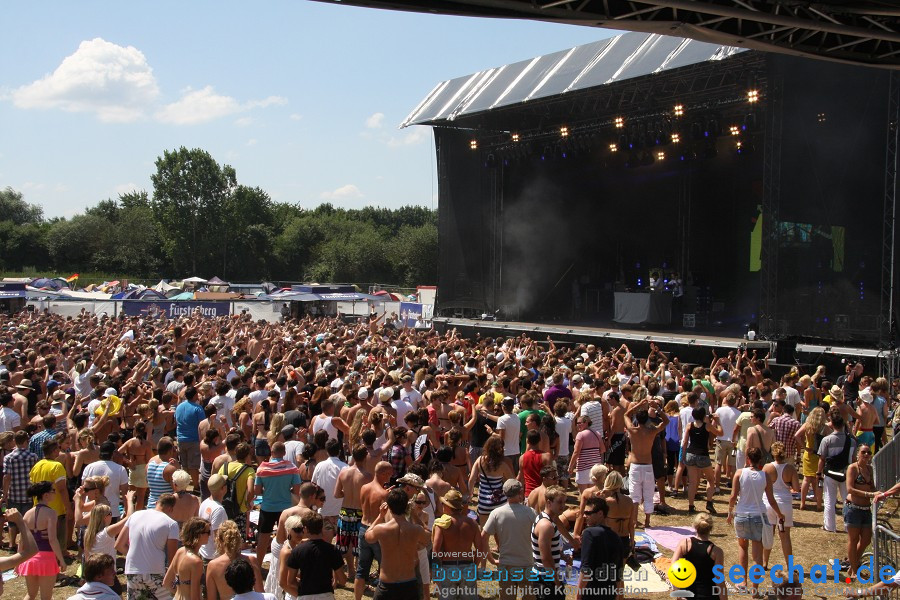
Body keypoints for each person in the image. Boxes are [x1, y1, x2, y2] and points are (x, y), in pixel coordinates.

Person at [726, 447, 785, 596]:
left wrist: (729, 512)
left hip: (741, 515)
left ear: (747, 459)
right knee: (758, 556)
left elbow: (733, 496)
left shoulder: (739, 473)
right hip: (758, 516)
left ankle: (743, 581)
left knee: (742, 548)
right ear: (760, 460)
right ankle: (755, 589)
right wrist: (779, 514)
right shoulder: (764, 476)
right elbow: (771, 500)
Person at [364, 488, 431, 600]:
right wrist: (414, 515)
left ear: (389, 507)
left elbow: (367, 536)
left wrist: (380, 516)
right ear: (406, 507)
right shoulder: (416, 530)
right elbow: (428, 536)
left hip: (387, 583)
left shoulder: (381, 529)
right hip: (409, 583)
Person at [117, 492, 180, 600]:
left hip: (133, 570)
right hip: (155, 570)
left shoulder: (135, 515)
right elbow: (172, 557)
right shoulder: (171, 524)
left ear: (156, 503)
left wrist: (137, 555)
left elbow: (119, 544)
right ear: (171, 509)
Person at [482, 479, 536, 600]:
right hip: (526, 563)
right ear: (521, 492)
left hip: (506, 564)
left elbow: (483, 538)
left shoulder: (496, 513)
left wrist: (491, 559)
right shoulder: (531, 513)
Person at [254, 441, 301, 568]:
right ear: (284, 453)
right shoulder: (292, 468)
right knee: (289, 539)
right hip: (285, 509)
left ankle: (258, 566)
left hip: (267, 508)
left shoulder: (262, 469)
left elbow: (257, 491)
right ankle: (290, 566)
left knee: (263, 540)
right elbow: (297, 491)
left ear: (271, 452)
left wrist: (268, 492)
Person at [16, 482, 66, 600]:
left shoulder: (27, 514)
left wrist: (17, 561)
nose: (55, 493)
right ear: (46, 495)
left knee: (30, 595)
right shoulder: (51, 513)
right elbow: (53, 540)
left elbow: (21, 541)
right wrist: (62, 560)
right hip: (46, 558)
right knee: (46, 597)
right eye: (53, 491)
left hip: (29, 558)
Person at [624, 396, 669, 527]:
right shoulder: (652, 431)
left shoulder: (632, 430)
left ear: (637, 420)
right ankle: (647, 521)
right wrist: (657, 408)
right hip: (648, 466)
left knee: (635, 496)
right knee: (648, 494)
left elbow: (626, 415)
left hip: (636, 465)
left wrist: (638, 404)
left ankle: (634, 520)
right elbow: (666, 421)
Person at [432, 489, 484, 600]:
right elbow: (480, 549)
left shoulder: (442, 525)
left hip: (448, 567)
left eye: (443, 504)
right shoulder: (472, 523)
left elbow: (435, 551)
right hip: (468, 566)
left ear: (448, 506)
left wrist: (436, 571)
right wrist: (474, 565)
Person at [281, 511, 347, 600]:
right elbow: (342, 580)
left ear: (305, 529)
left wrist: (306, 590)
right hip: (326, 596)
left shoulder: (297, 551)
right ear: (322, 528)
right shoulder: (332, 550)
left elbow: (290, 582)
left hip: (304, 596)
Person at [334, 444, 372, 576]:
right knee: (359, 545)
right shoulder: (367, 476)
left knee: (344, 544)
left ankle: (349, 570)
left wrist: (347, 494)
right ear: (365, 457)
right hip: (359, 512)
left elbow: (337, 494)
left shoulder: (344, 472)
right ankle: (357, 573)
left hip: (344, 511)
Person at [28, 438, 71, 557]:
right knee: (56, 539)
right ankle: (56, 566)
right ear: (54, 450)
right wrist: (68, 507)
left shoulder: (36, 466)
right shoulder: (57, 466)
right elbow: (62, 489)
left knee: (44, 542)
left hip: (38, 509)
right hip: (56, 510)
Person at [356, 462, 392, 600]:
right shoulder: (383, 494)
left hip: (363, 528)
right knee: (385, 569)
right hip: (377, 531)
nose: (390, 476)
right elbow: (386, 516)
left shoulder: (364, 488)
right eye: (389, 474)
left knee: (361, 570)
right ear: (383, 473)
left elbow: (364, 506)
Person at [669, 512, 725, 600]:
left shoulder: (684, 544)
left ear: (695, 526)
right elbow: (719, 581)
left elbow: (672, 570)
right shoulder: (716, 551)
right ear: (711, 529)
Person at [578, 496, 625, 600]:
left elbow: (586, 570)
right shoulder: (616, 537)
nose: (585, 516)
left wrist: (578, 596)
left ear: (600, 514)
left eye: (588, 513)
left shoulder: (588, 533)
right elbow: (618, 573)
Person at [762, 441, 799, 569]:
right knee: (785, 536)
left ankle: (764, 562)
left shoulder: (766, 467)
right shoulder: (790, 468)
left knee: (768, 534)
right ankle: (790, 566)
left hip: (769, 503)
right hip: (785, 504)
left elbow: (761, 485)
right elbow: (796, 488)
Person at [818, 412, 857, 533]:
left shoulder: (827, 440)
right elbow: (854, 459)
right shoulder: (852, 441)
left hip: (830, 473)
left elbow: (822, 459)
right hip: (847, 473)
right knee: (848, 500)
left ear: (832, 425)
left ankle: (829, 526)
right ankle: (848, 525)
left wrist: (819, 473)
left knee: (829, 500)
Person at [206, 521, 265, 600]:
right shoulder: (251, 560)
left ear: (219, 540)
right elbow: (260, 593)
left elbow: (211, 598)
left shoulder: (213, 565)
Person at [844, 444, 876, 580]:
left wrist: (877, 493)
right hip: (853, 508)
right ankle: (854, 570)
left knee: (866, 540)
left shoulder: (870, 469)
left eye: (869, 452)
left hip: (866, 509)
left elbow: (872, 487)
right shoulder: (852, 468)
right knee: (853, 539)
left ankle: (853, 565)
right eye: (863, 452)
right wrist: (868, 494)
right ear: (858, 454)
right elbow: (850, 489)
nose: (867, 455)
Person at [681, 406, 721, 514]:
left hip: (691, 453)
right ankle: (709, 502)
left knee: (692, 482)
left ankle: (691, 506)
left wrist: (683, 454)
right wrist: (718, 422)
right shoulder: (707, 426)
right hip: (703, 455)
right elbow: (720, 433)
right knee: (710, 480)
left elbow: (685, 442)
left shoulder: (690, 425)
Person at [531, 485, 568, 600]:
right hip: (546, 579)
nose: (563, 506)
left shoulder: (547, 519)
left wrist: (562, 556)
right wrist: (557, 583)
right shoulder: (546, 525)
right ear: (549, 502)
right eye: (559, 502)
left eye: (564, 502)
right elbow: (546, 558)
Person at [2, 429, 38, 548]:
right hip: (28, 494)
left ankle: (12, 543)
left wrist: (5, 494)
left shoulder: (8, 457)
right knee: (26, 522)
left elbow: (7, 477)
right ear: (26, 441)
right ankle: (24, 544)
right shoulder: (33, 456)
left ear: (15, 441)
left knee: (12, 522)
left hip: (14, 494)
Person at [468, 435, 514, 525]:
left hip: (484, 503)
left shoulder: (479, 460)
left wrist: (470, 494)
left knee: (484, 532)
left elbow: (471, 480)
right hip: (500, 502)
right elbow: (512, 481)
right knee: (499, 533)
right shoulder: (503, 465)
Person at [81, 441, 129, 522]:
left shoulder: (89, 467)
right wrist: (127, 511)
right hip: (111, 512)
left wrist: (81, 509)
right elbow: (125, 494)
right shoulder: (120, 469)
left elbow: (83, 491)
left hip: (91, 512)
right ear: (113, 453)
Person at [163, 517, 209, 600]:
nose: (210, 535)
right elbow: (194, 597)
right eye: (208, 532)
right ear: (198, 534)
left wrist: (181, 593)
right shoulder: (196, 561)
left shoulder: (180, 552)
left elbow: (166, 583)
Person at [794, 406, 827, 511]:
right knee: (818, 480)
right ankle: (818, 504)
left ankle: (802, 503)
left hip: (808, 453)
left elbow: (796, 436)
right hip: (819, 454)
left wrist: (805, 447)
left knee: (806, 479)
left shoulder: (807, 425)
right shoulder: (824, 427)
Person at [175, 387, 205, 488]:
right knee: (193, 466)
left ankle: (183, 485)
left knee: (184, 465)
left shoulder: (179, 407)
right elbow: (203, 425)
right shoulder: (198, 408)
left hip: (181, 439)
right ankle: (196, 486)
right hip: (193, 440)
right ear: (194, 395)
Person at [569, 414, 605, 493]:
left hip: (583, 467)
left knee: (584, 494)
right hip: (595, 468)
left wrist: (571, 466)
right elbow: (602, 450)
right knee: (593, 494)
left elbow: (576, 452)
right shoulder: (597, 433)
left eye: (579, 423)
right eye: (577, 423)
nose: (577, 425)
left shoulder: (580, 435)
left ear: (586, 423)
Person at [198, 473, 228, 561]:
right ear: (222, 488)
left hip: (204, 552)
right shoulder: (219, 510)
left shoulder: (205, 502)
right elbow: (217, 538)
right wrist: (224, 559)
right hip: (213, 557)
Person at [146, 437, 178, 510]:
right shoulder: (170, 468)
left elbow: (148, 482)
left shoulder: (149, 463)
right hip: (165, 508)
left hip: (151, 505)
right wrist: (177, 467)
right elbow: (178, 489)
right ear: (170, 451)